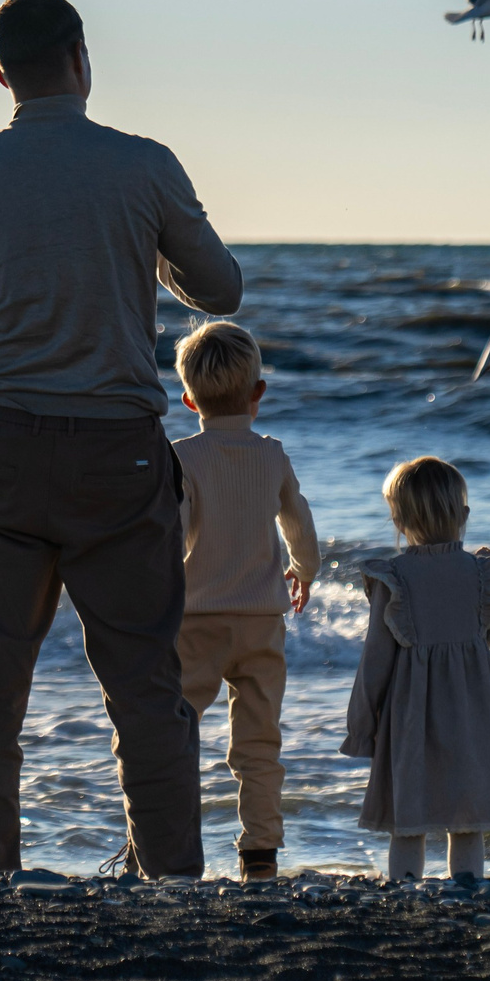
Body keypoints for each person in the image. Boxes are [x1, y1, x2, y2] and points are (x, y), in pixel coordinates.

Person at [0, 0, 244, 878]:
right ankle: (169, 874)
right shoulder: (142, 166)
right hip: (119, 449)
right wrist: (146, 251)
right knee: (142, 680)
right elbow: (223, 289)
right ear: (81, 56)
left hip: (2, 447)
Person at [169, 320, 321, 883]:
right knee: (259, 744)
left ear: (188, 400)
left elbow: (174, 535)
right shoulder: (272, 454)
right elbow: (298, 526)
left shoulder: (183, 457)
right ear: (259, 392)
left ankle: (170, 845)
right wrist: (303, 572)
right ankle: (260, 854)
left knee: (177, 733)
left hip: (195, 620)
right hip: (261, 620)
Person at [342, 455, 490, 882]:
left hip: (411, 712)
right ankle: (468, 888)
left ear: (398, 520)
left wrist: (362, 726)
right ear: (465, 515)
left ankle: (403, 888)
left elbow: (375, 661)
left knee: (407, 815)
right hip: (472, 711)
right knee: (467, 814)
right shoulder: (483, 572)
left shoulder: (394, 578)